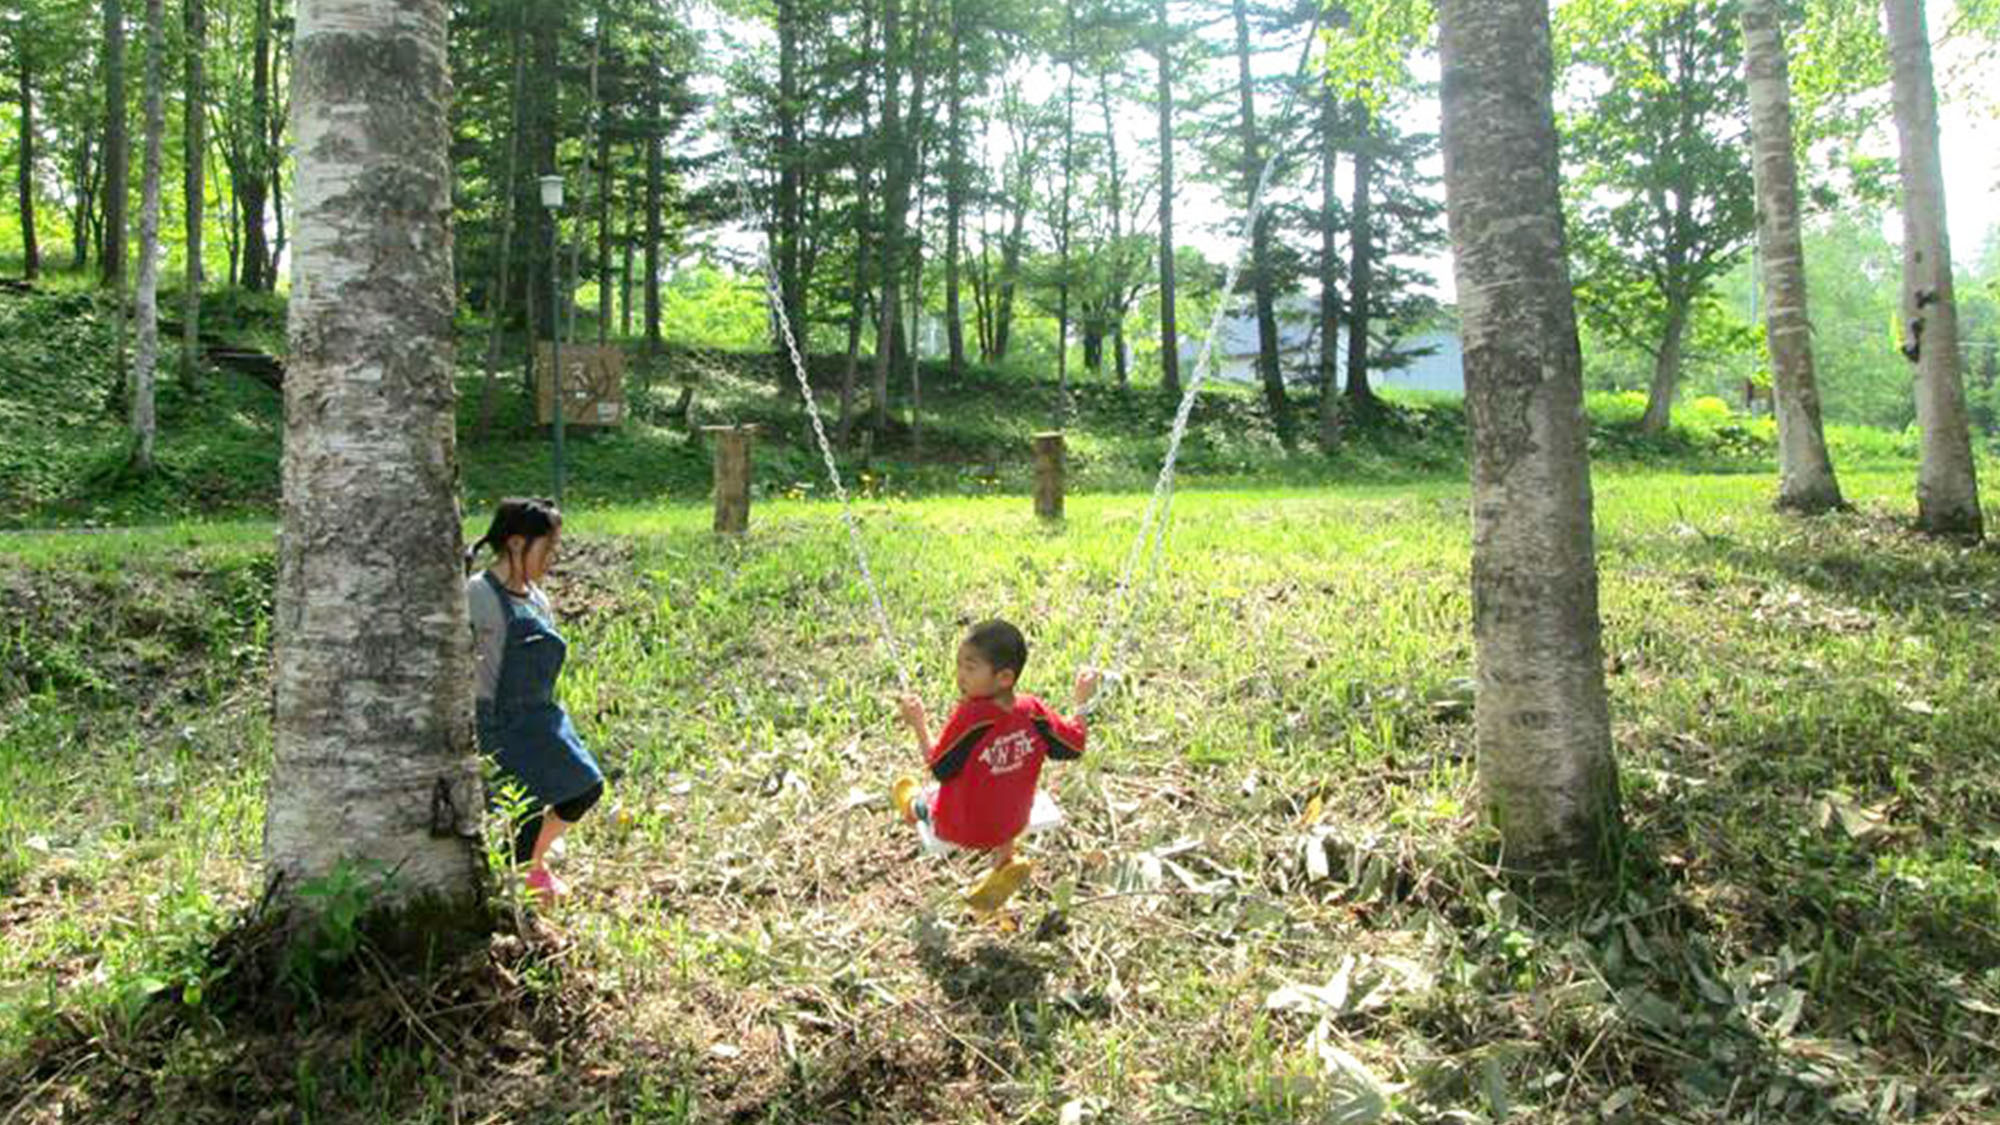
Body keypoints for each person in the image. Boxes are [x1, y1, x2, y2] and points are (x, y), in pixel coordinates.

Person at [893, 619, 1099, 912]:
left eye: (970, 667)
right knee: (1004, 796)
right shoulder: (1033, 712)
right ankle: (1004, 863)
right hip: (1013, 822)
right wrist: (1081, 702)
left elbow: (938, 768)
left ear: (1004, 677)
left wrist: (919, 724)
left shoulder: (971, 719)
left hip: (959, 828)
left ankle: (913, 808)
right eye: (959, 665)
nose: (960, 676)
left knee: (926, 802)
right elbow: (1073, 746)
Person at [465, 498, 604, 907]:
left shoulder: (537, 600)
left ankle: (531, 864)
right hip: (498, 721)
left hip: (540, 716)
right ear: (515, 544)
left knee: (584, 787)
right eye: (547, 549)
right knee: (521, 810)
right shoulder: (477, 595)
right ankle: (520, 883)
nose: (552, 560)